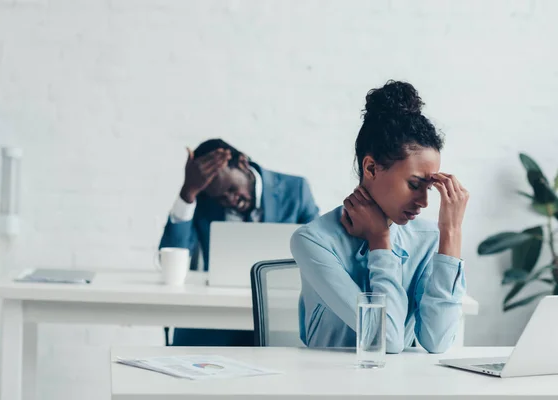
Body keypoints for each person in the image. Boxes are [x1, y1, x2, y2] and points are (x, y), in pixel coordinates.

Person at [290, 80, 469, 354]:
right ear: (371, 167)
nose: (423, 202)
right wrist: (380, 241)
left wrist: (451, 233)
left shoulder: (428, 238)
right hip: (327, 385)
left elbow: (438, 341)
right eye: (413, 184)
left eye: (428, 188)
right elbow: (387, 340)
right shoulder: (313, 240)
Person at [160, 138, 320, 346]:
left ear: (243, 164)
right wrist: (188, 194)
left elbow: (318, 249)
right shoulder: (204, 198)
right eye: (222, 199)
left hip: (279, 314)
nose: (231, 200)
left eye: (232, 188)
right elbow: (171, 256)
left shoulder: (295, 190)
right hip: (219, 317)